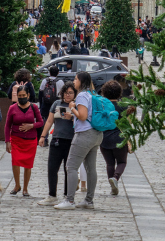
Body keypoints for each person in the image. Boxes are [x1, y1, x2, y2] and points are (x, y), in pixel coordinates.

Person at [55, 71, 101, 210]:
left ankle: (69, 200)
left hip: (84, 134)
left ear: (81, 81)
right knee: (91, 168)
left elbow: (82, 116)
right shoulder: (92, 94)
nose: (74, 81)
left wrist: (73, 108)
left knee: (71, 166)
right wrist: (73, 115)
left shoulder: (81, 95)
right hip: (96, 134)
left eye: (76, 79)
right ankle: (89, 200)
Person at [37, 84, 77, 206]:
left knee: (68, 169)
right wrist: (43, 136)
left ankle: (67, 194)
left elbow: (82, 120)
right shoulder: (56, 104)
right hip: (57, 139)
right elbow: (49, 121)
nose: (67, 95)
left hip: (71, 140)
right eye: (65, 92)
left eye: (70, 92)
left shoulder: (77, 105)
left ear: (75, 94)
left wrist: (72, 116)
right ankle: (52, 194)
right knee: (52, 168)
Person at [5, 85, 44, 196]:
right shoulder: (12, 108)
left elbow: (41, 122)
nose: (22, 97)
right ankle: (17, 185)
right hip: (16, 139)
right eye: (19, 96)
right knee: (15, 161)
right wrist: (7, 141)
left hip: (30, 140)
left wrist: (31, 126)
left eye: (24, 95)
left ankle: (25, 188)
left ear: (28, 95)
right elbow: (7, 125)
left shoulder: (34, 107)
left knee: (28, 164)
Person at [99, 81, 133, 196]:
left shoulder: (103, 105)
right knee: (122, 162)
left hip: (104, 138)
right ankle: (116, 178)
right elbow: (127, 125)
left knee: (109, 163)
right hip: (119, 138)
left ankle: (112, 185)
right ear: (119, 93)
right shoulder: (123, 107)